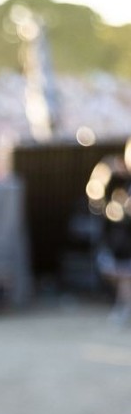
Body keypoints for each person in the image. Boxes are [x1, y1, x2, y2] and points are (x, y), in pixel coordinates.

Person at [88, 137, 131, 325]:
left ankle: (125, 307)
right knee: (118, 274)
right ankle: (125, 306)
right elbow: (95, 194)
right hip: (120, 240)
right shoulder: (117, 178)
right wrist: (105, 170)